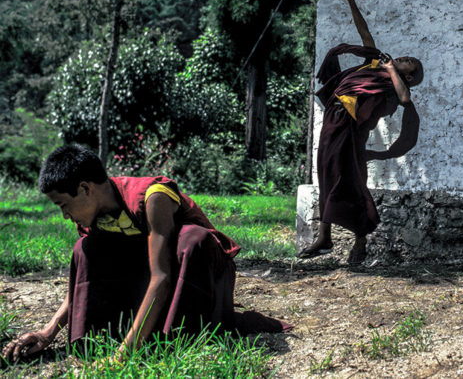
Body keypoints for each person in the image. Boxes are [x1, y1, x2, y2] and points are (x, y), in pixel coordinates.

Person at [1, 144, 272, 364]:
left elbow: (162, 276)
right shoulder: (89, 215)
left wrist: (122, 355)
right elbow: (87, 274)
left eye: (64, 205)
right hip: (149, 280)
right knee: (85, 249)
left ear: (85, 189)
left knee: (192, 239)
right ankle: (121, 332)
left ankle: (177, 335)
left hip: (197, 277)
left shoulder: (152, 197)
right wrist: (47, 333)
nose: (64, 215)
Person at [298, 0, 422, 265]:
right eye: (404, 58)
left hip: (352, 131)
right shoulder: (375, 63)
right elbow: (363, 30)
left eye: (409, 63)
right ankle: (324, 236)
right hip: (334, 120)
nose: (403, 58)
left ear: (410, 76)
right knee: (326, 174)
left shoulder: (393, 86)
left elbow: (406, 100)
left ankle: (361, 240)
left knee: (353, 180)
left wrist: (392, 70)